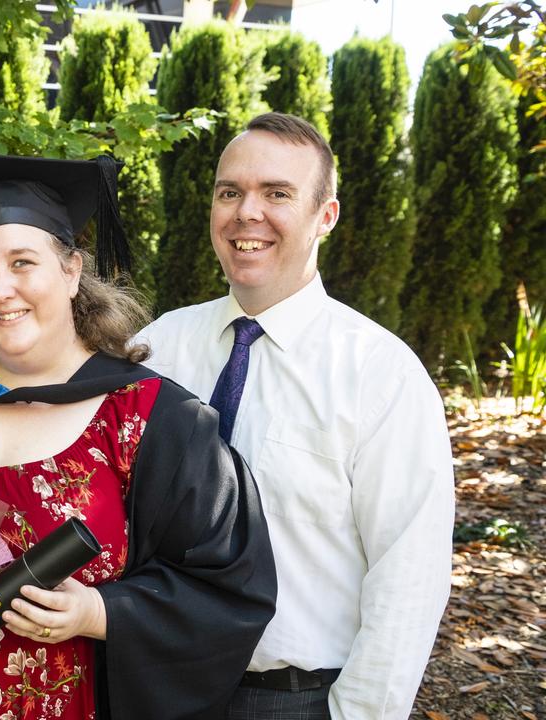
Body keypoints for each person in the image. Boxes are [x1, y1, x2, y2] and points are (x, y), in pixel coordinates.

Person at [0, 151, 277, 719]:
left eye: (23, 263)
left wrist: (100, 612)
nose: (1, 291)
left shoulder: (151, 420)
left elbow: (228, 590)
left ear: (71, 271)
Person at [136, 113, 453, 719]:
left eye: (277, 193)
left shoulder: (379, 374)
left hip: (293, 701)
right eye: (230, 192)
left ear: (324, 217)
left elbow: (408, 576)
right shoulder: (161, 346)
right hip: (158, 686)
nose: (246, 213)